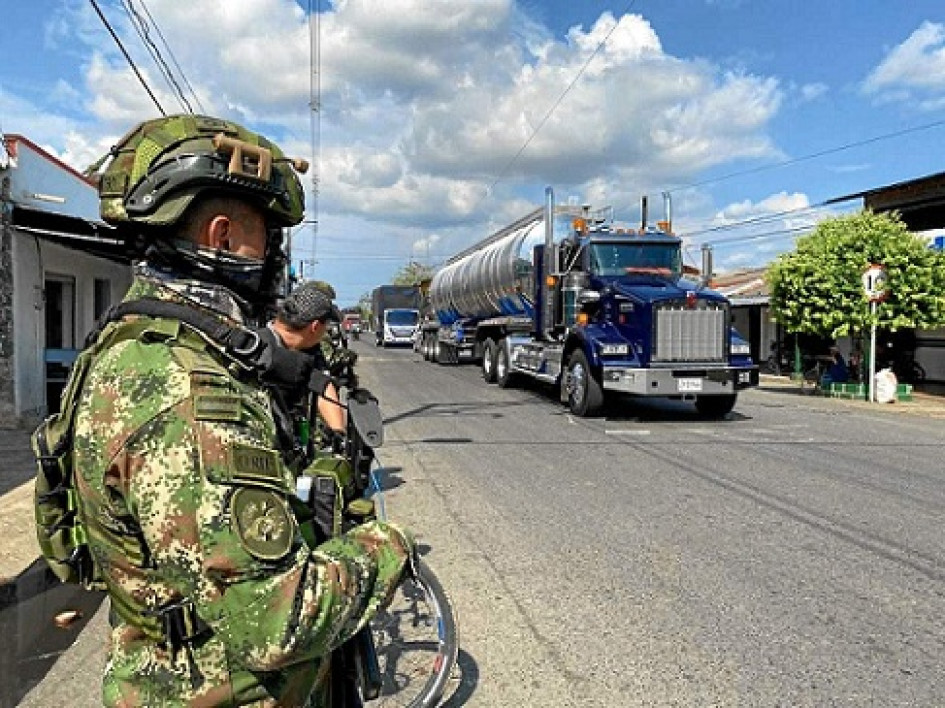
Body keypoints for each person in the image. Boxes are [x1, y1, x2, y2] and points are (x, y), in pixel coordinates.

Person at [71, 114, 413, 706]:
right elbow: (274, 621)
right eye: (269, 236)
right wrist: (387, 547)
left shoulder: (132, 341)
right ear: (222, 237)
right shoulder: (185, 390)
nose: (275, 256)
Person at [264, 279, 346, 434]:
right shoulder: (257, 348)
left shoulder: (308, 349)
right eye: (326, 324)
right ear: (315, 327)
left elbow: (321, 385)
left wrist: (338, 434)